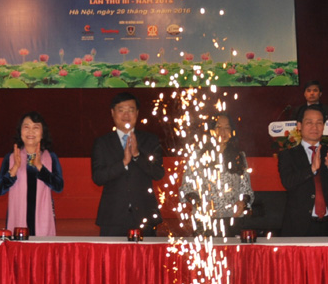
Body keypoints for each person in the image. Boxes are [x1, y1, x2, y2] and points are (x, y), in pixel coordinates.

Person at [91, 92, 165, 237]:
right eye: (121, 110)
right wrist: (123, 162)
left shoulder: (150, 140)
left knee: (146, 252)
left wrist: (137, 155)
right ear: (112, 113)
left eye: (131, 110)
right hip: (112, 217)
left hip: (145, 215)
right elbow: (98, 177)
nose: (126, 115)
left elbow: (158, 173)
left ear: (137, 113)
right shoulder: (102, 143)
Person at [278, 105, 328, 236]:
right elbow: (288, 182)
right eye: (309, 122)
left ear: (323, 126)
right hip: (299, 226)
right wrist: (311, 169)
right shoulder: (288, 155)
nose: (315, 127)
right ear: (299, 126)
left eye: (319, 123)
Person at [179, 113, 254, 237]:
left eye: (227, 127)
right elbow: (185, 189)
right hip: (205, 219)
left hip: (232, 220)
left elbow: (247, 190)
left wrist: (243, 202)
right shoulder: (198, 155)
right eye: (218, 127)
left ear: (232, 131)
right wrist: (200, 203)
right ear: (211, 130)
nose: (222, 132)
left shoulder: (239, 156)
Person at [0, 112, 64, 236]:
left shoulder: (51, 157)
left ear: (42, 133)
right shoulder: (10, 158)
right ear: (20, 131)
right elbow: (0, 190)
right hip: (17, 221)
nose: (30, 131)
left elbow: (59, 187)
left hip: (43, 222)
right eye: (26, 127)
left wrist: (40, 167)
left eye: (36, 127)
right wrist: (15, 168)